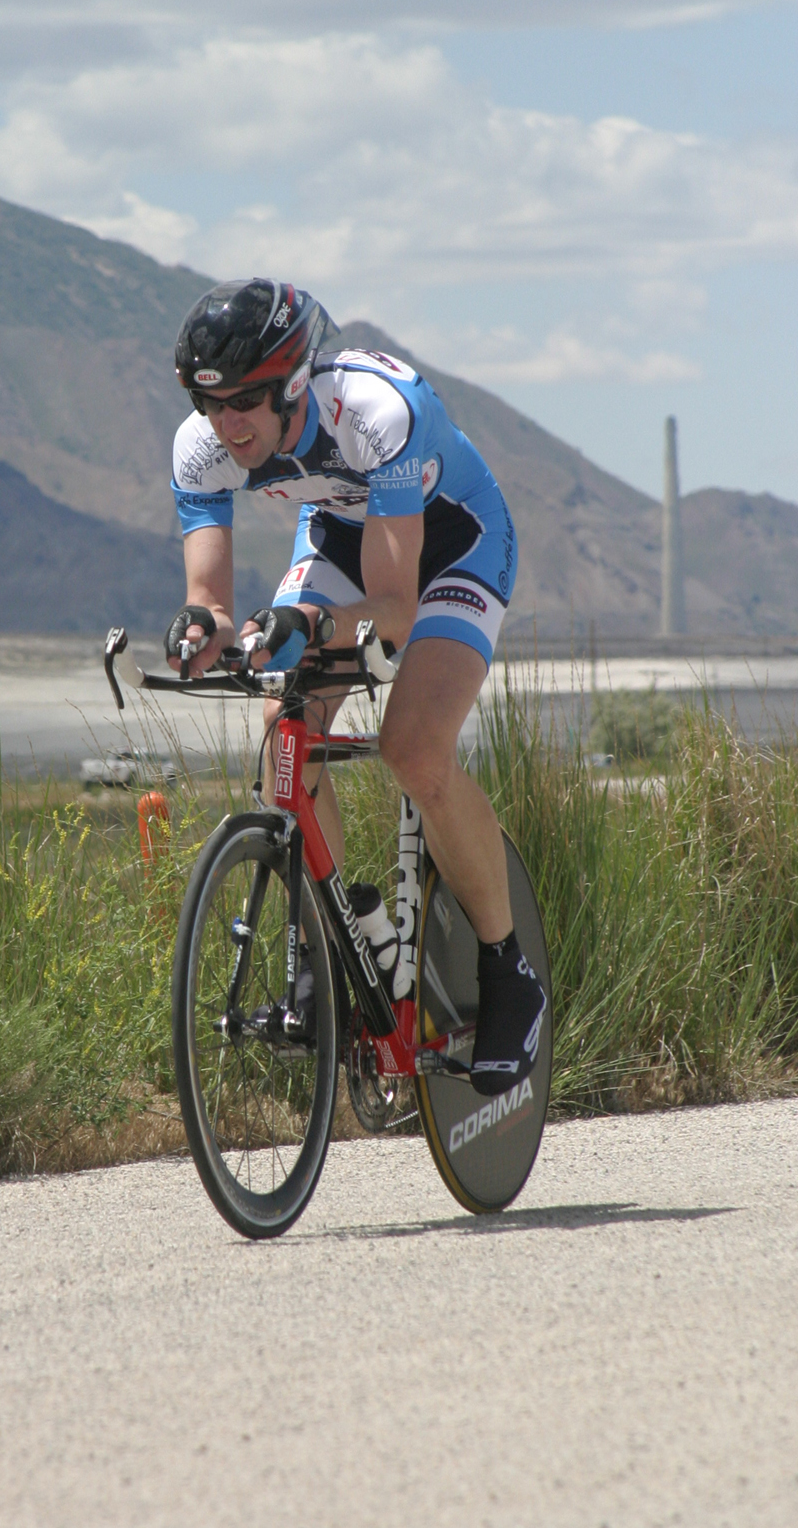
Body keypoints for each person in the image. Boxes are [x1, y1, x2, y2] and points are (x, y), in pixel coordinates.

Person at [165, 277, 545, 1096]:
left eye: (243, 404)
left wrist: (306, 624)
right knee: (281, 739)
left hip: (454, 547)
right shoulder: (200, 447)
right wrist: (204, 630)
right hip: (343, 537)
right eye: (209, 407)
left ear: (293, 385)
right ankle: (333, 950)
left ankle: (508, 970)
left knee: (412, 748)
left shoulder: (376, 413)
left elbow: (394, 611)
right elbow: (213, 601)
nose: (225, 427)